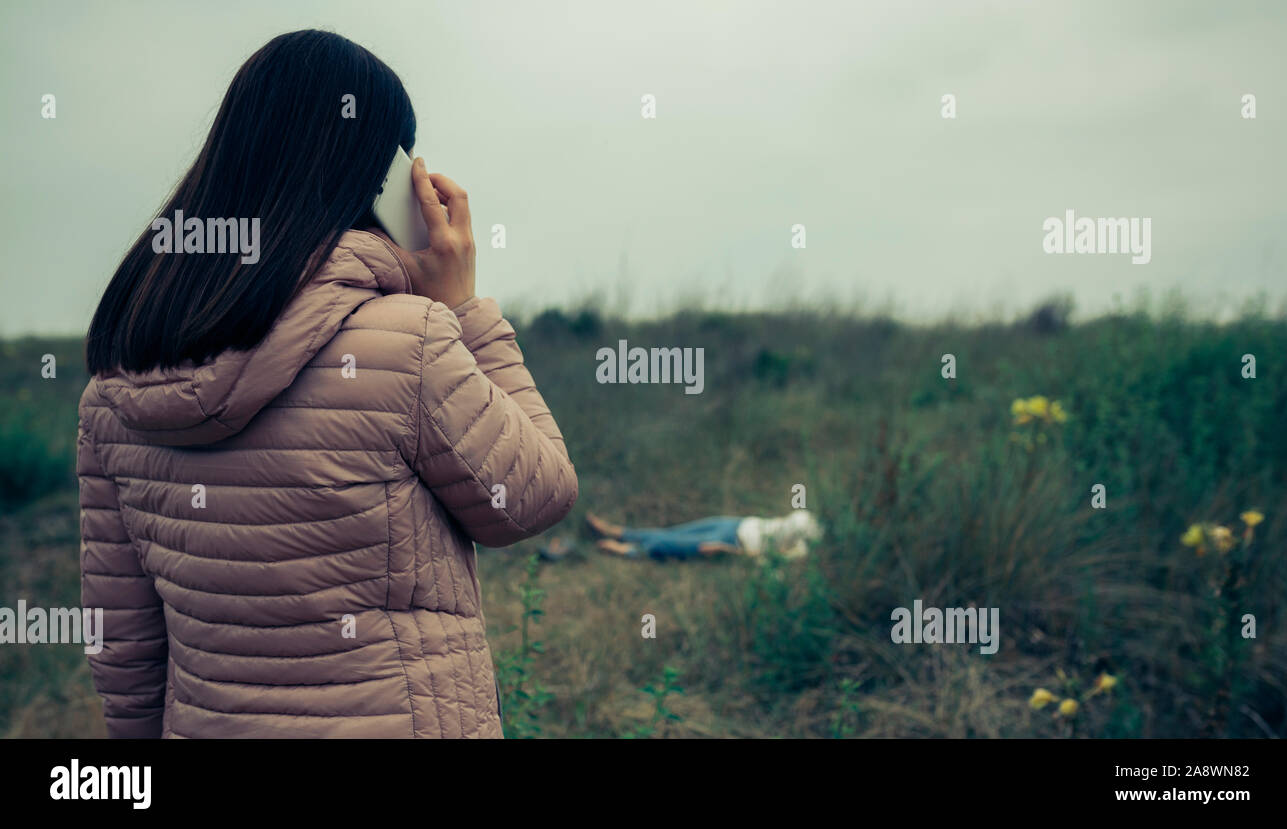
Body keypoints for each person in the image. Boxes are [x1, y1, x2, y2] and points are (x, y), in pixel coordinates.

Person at [77, 30, 578, 739]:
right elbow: (535, 494)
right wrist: (465, 309)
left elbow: (123, 646)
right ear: (380, 177)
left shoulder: (116, 382)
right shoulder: (410, 342)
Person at [586, 510, 822, 561]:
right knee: (674, 532)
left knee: (670, 544)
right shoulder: (810, 521)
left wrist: (725, 551)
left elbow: (761, 561)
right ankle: (617, 531)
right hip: (736, 524)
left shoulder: (802, 553)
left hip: (730, 542)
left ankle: (627, 551)